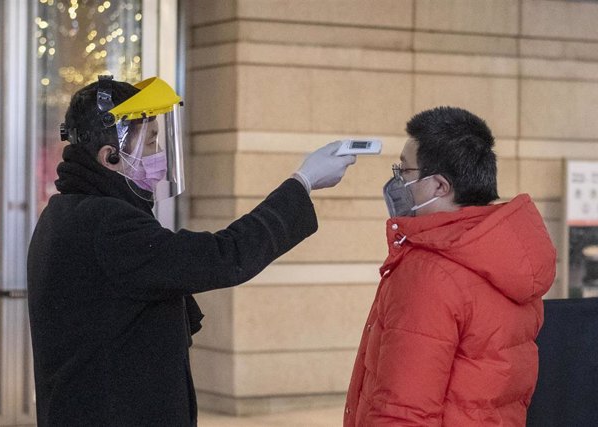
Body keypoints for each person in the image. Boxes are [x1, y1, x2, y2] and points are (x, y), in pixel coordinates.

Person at [27, 75, 355, 427]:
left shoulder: (67, 213)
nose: (158, 156)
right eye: (150, 144)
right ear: (110, 158)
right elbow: (223, 256)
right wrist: (303, 182)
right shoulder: (106, 225)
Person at [344, 106, 556, 426]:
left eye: (404, 171)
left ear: (440, 186)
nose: (397, 181)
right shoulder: (506, 259)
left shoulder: (429, 274)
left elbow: (403, 411)